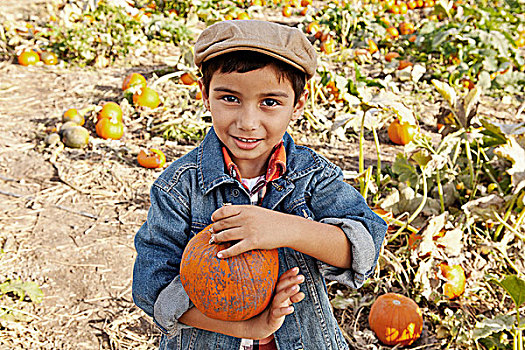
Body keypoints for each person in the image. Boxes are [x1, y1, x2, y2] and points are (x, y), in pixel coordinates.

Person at [132, 19, 387, 350]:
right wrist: (247, 327)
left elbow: (364, 247)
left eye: (269, 102)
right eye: (230, 98)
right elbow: (152, 286)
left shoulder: (313, 177)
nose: (247, 122)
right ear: (205, 96)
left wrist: (284, 228)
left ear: (298, 103)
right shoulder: (179, 187)